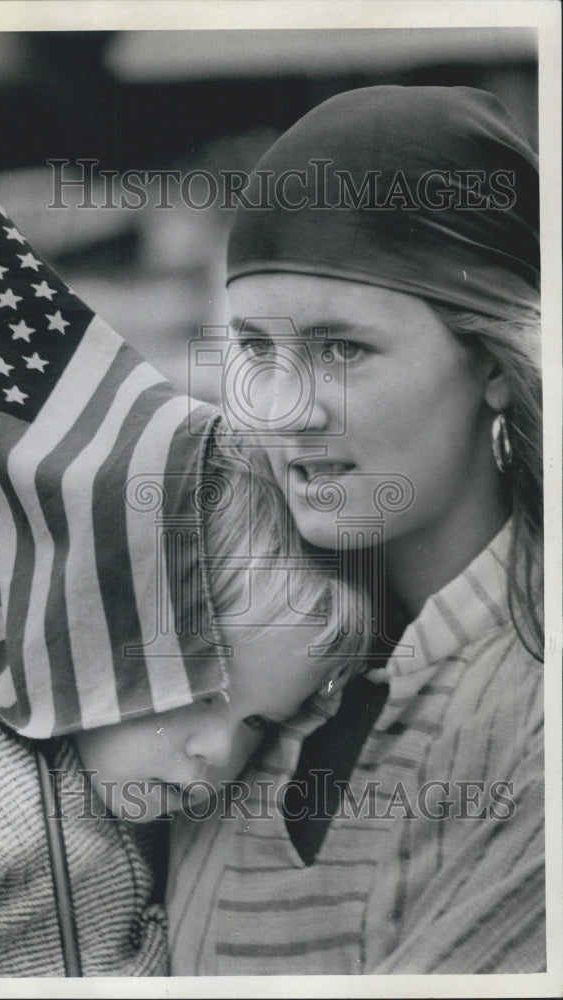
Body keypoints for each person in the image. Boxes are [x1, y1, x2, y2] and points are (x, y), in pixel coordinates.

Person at [0, 146, 368, 977]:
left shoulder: (138, 792)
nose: (215, 756)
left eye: (257, 724)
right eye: (197, 696)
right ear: (90, 612)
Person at [167, 85, 545, 975]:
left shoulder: (532, 708)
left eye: (342, 350)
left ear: (492, 365)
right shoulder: (242, 671)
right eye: (257, 351)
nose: (283, 407)